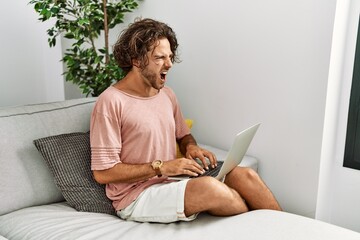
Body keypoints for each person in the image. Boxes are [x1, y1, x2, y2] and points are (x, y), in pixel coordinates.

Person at [90, 18, 281, 223]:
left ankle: (290, 231)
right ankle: (265, 229)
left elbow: (183, 135)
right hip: (136, 196)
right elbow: (103, 173)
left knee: (246, 176)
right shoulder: (110, 102)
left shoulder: (167, 95)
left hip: (172, 181)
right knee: (212, 189)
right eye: (160, 57)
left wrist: (191, 147)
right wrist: (161, 167)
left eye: (170, 57)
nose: (169, 64)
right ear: (136, 60)